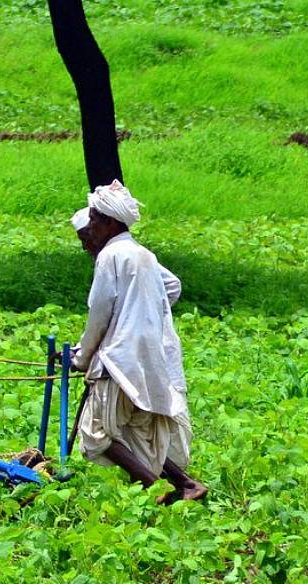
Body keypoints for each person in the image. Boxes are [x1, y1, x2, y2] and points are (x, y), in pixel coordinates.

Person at [68, 181, 207, 504]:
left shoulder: (111, 256)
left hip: (120, 359)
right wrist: (144, 312)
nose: (90, 228)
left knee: (96, 435)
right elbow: (170, 287)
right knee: (134, 431)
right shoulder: (142, 254)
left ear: (110, 222)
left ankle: (157, 488)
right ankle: (186, 484)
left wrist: (82, 357)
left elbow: (99, 313)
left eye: (94, 220)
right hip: (150, 358)